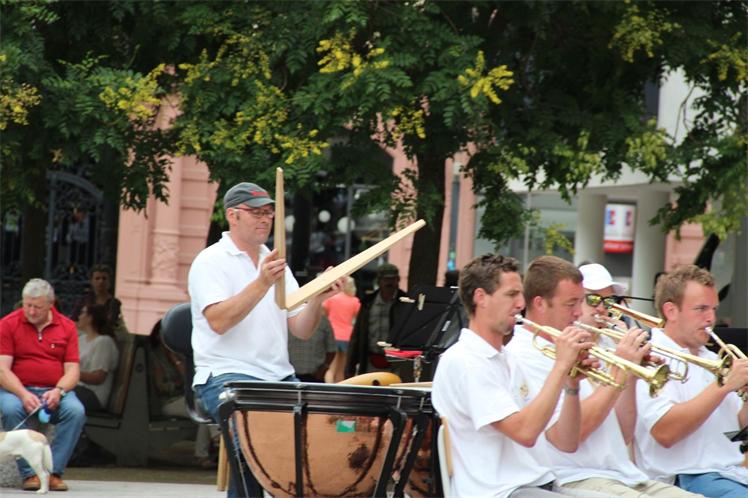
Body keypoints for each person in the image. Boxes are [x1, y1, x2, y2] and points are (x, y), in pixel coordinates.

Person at [188, 181, 343, 497]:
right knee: (257, 447)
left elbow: (301, 329)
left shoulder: (274, 263)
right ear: (233, 215)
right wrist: (261, 282)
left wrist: (318, 298)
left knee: (321, 437)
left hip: (278, 378)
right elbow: (218, 322)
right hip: (226, 375)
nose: (265, 219)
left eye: (269, 213)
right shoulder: (210, 260)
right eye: (256, 212)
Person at [510, 259, 697, 497]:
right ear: (539, 304)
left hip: (623, 475)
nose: (580, 311)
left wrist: (629, 376)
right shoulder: (525, 353)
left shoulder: (598, 345)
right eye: (574, 303)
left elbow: (624, 434)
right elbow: (571, 436)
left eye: (607, 301)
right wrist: (620, 368)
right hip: (574, 476)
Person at [432, 254, 596, 498]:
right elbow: (525, 433)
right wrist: (561, 366)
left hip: (539, 484)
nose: (520, 303)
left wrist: (571, 384)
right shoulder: (465, 360)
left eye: (520, 294)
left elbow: (566, 443)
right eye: (511, 295)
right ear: (480, 298)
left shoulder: (507, 359)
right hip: (500, 492)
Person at [634, 265, 748, 497]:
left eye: (714, 309)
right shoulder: (649, 357)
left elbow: (739, 427)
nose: (711, 318)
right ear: (671, 311)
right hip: (682, 477)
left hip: (730, 473)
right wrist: (724, 386)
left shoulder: (713, 358)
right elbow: (665, 432)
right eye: (701, 309)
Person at [0, 278, 86, 492]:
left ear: (50, 304)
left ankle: (54, 472)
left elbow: (72, 370)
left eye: (37, 307)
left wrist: (59, 391)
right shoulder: (8, 324)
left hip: (54, 389)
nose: (31, 311)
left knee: (75, 411)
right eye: (27, 305)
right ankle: (29, 475)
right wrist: (22, 393)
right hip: (17, 389)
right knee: (11, 408)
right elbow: (2, 369)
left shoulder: (66, 326)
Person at [345, 263, 406, 377]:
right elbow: (357, 336)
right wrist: (350, 367)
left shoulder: (405, 303)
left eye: (392, 279)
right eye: (386, 279)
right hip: (370, 362)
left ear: (398, 280)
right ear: (379, 281)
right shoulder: (368, 303)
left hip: (397, 364)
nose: (389, 283)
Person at [74, 303, 119, 412]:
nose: (78, 316)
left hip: (92, 395)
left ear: (90, 317)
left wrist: (71, 373)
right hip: (76, 388)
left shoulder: (104, 342)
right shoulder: (81, 339)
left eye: (82, 313)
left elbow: (98, 378)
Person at [322, 276, 360, 383]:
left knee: (330, 369)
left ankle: (328, 390)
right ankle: (339, 390)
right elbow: (358, 317)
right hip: (347, 336)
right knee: (341, 370)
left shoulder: (332, 299)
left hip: (332, 335)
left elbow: (324, 313)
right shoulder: (355, 301)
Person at [69, 264, 124, 338]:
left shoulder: (114, 303)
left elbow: (110, 323)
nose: (101, 281)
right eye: (97, 278)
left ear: (109, 281)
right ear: (91, 281)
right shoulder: (83, 300)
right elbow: (73, 319)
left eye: (104, 278)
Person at [288, 314, 336, 382]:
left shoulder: (323, 321)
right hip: (289, 376)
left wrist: (324, 368)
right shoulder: (286, 320)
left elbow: (332, 349)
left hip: (315, 376)